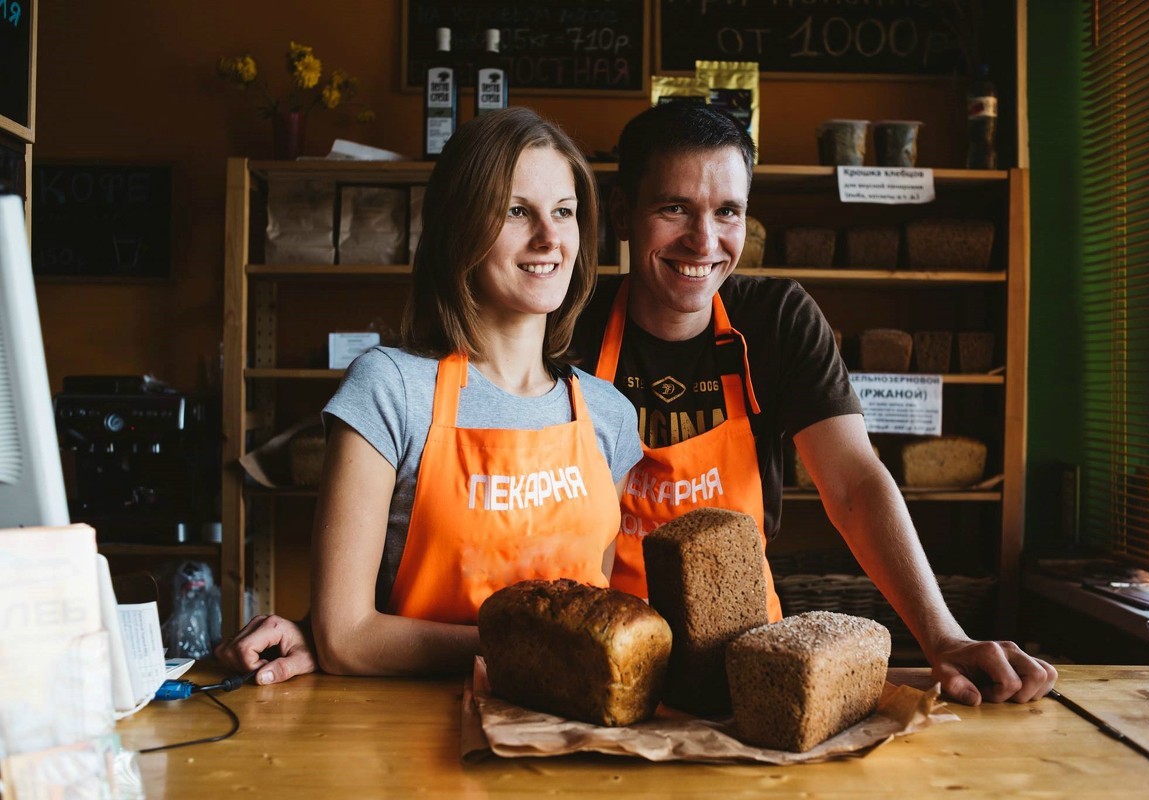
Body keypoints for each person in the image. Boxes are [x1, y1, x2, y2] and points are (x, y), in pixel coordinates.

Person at [221, 103, 1057, 706]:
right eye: (673, 210)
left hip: (705, 672)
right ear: (623, 219)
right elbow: (439, 539)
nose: (704, 242)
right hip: (563, 678)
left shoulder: (749, 332)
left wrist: (941, 637)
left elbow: (853, 484)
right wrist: (337, 634)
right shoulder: (559, 325)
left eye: (727, 212)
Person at [218, 107, 642, 679]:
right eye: (517, 211)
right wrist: (540, 649)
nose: (549, 237)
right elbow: (346, 638)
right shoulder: (390, 388)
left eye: (564, 213)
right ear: (460, 227)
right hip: (403, 736)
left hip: (566, 727)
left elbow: (599, 613)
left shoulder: (608, 414)